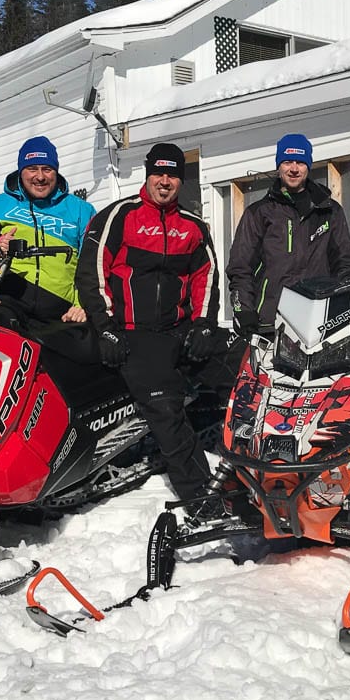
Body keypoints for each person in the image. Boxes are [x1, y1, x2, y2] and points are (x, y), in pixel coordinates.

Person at [75, 143, 225, 505]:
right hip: (132, 333)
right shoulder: (120, 215)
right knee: (165, 404)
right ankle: (203, 499)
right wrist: (106, 327)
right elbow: (91, 273)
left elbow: (207, 278)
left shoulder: (192, 226)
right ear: (147, 174)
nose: (165, 181)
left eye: (172, 174)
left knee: (245, 368)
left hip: (179, 329)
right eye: (158, 173)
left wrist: (204, 325)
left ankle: (270, 464)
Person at [227, 133, 350, 337]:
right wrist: (242, 310)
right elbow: (240, 268)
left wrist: (341, 306)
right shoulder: (258, 213)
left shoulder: (330, 211)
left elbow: (345, 265)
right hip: (269, 322)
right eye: (287, 161)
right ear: (279, 166)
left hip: (319, 321)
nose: (294, 169)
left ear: (308, 166)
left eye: (300, 162)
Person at [0, 135, 96, 325]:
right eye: (32, 169)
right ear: (21, 171)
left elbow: (94, 263)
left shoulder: (81, 210)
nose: (40, 177)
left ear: (56, 172)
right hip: (8, 303)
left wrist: (82, 303)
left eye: (47, 169)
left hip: (64, 313)